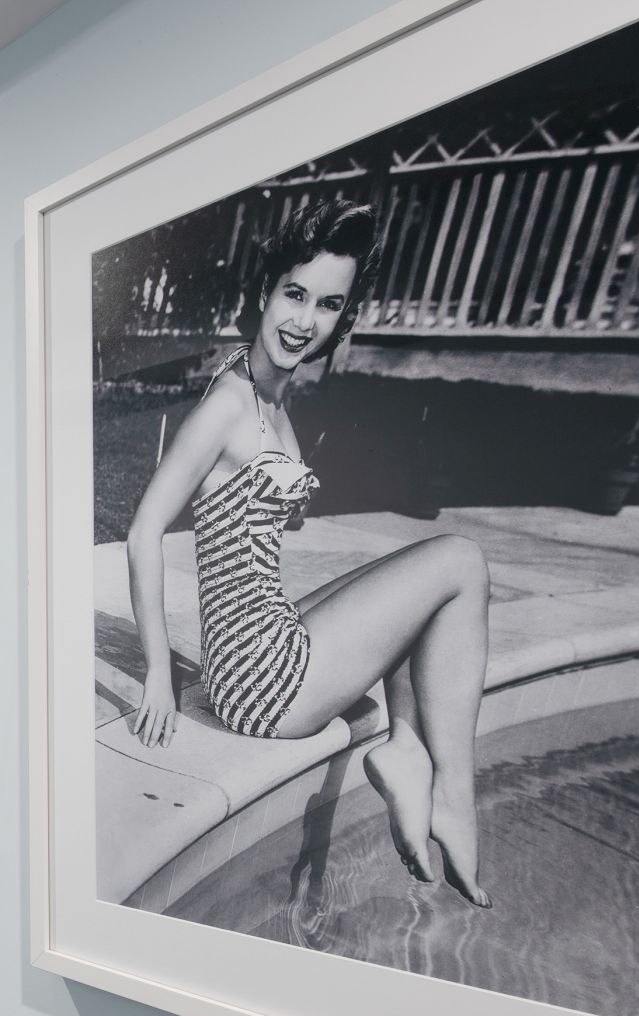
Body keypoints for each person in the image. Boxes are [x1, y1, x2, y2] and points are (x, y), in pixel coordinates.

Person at [122, 199, 493, 908]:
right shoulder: (232, 401)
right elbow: (145, 529)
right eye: (294, 294)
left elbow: (248, 522)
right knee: (460, 563)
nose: (304, 320)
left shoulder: (270, 399)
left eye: (328, 304)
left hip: (258, 645)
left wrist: (279, 500)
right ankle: (453, 798)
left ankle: (407, 749)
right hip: (264, 680)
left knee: (413, 597)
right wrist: (158, 675)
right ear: (264, 292)